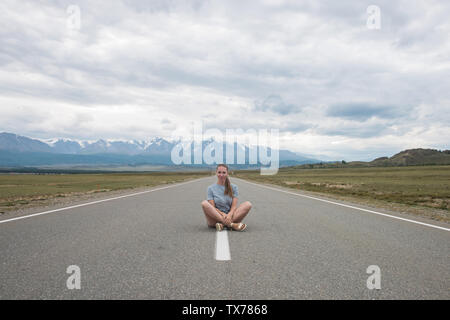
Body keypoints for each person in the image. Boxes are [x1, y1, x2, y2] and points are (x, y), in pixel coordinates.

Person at [201, 163, 252, 231]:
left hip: (230, 216)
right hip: (214, 219)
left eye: (224, 172)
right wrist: (222, 214)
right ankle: (231, 225)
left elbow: (234, 206)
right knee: (204, 203)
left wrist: (229, 215)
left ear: (227, 173)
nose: (221, 175)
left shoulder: (234, 187)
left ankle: (222, 224)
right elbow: (212, 207)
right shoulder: (210, 188)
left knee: (248, 204)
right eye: (219, 172)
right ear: (216, 173)